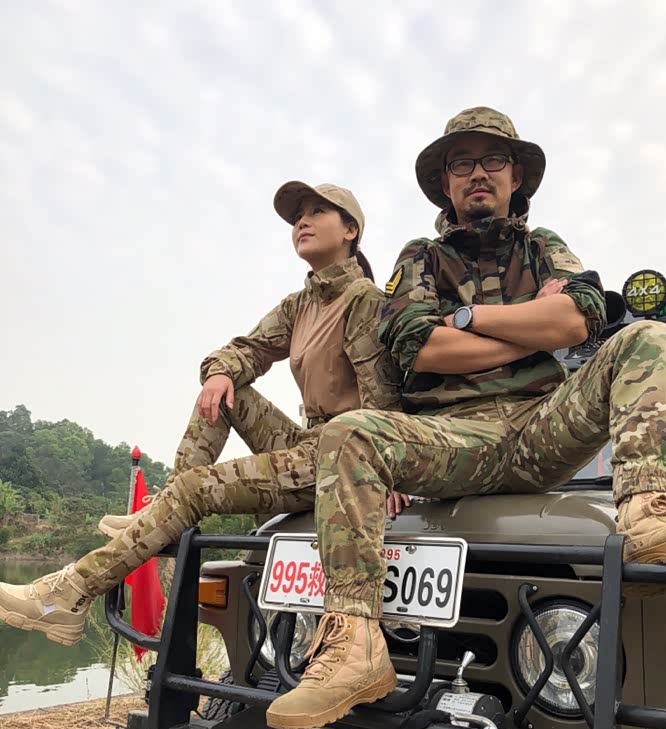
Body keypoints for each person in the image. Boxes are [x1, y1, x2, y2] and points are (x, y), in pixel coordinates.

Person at [265, 106, 666, 729]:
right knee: (348, 432)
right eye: (462, 163)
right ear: (445, 183)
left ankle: (649, 511)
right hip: (452, 438)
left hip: (543, 426)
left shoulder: (542, 246)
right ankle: (355, 646)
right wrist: (532, 329)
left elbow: (581, 318)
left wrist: (467, 320)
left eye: (493, 160)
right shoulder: (421, 257)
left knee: (652, 337)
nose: (478, 173)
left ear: (516, 176)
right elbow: (417, 346)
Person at [0, 181, 406, 648]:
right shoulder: (301, 304)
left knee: (197, 487)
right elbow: (245, 349)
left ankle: (68, 593)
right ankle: (163, 509)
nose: (302, 222)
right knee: (225, 392)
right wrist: (220, 372)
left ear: (351, 230)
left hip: (344, 459)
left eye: (317, 212)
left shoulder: (364, 299)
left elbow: (381, 400)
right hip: (308, 443)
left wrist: (388, 472)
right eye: (298, 216)